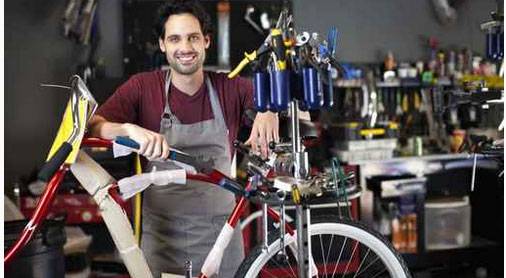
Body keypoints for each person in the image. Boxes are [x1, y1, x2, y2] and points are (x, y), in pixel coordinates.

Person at [87, 0, 278, 276]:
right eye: (175, 39)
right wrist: (128, 130)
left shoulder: (230, 88)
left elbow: (285, 98)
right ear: (162, 44)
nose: (185, 48)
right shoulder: (142, 87)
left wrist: (269, 107)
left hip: (221, 235)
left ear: (206, 41)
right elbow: (94, 125)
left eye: (193, 38)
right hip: (162, 236)